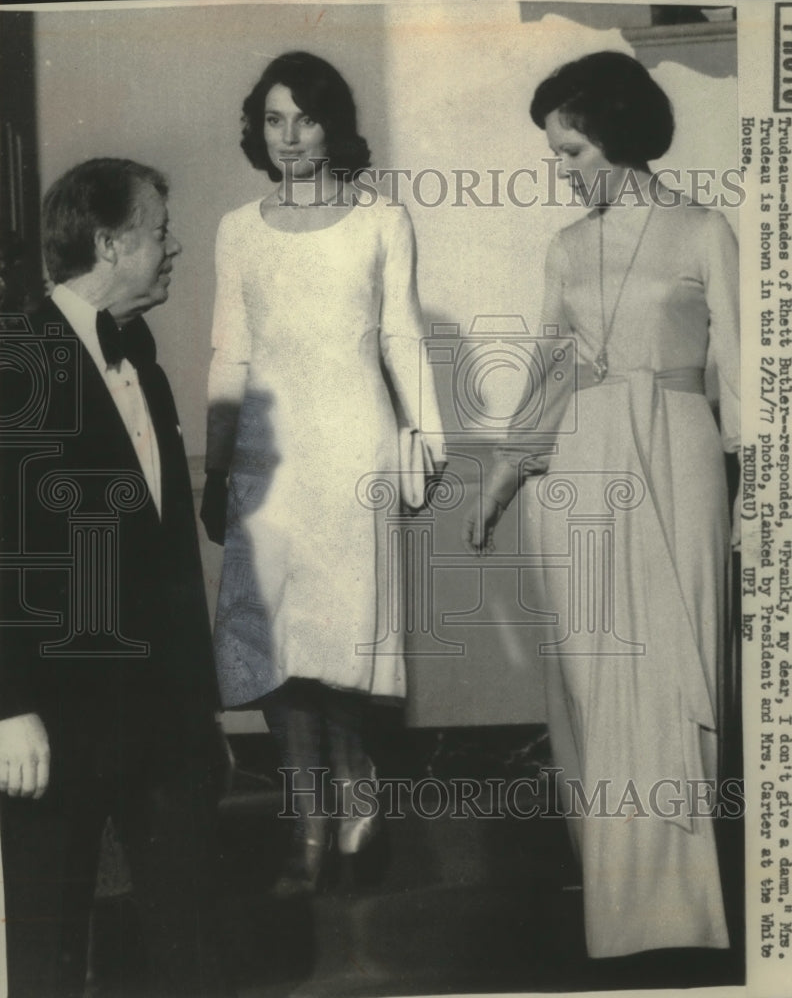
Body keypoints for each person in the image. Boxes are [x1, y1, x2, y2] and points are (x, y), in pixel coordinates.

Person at [463, 51, 739, 958]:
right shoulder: (566, 248)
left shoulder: (703, 230)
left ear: (619, 137)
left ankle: (685, 913)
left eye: (572, 151)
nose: (562, 170)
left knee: (678, 671)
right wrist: (502, 477)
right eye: (556, 153)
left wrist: (760, 500)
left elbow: (743, 377)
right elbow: (548, 373)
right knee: (595, 676)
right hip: (579, 473)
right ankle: (619, 908)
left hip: (681, 461)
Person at [200, 51, 445, 894]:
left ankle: (357, 791)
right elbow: (229, 354)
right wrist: (216, 469)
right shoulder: (238, 229)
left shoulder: (381, 220)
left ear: (333, 125)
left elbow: (402, 336)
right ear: (258, 130)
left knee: (341, 635)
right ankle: (306, 819)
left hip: (353, 449)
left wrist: (427, 444)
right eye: (275, 120)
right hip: (267, 459)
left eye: (305, 118)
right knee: (274, 641)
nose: (290, 137)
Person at [0, 158, 231, 997]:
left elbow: (168, 558)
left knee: (190, 942)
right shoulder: (15, 361)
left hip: (162, 717)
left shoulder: (148, 370)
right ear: (108, 243)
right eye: (158, 232)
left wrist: (200, 710)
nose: (173, 249)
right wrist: (8, 706)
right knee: (47, 947)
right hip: (54, 718)